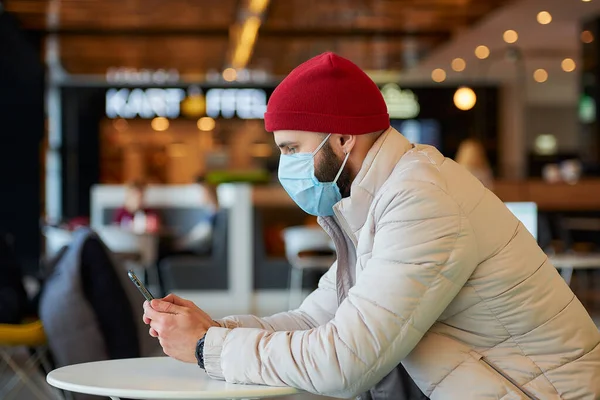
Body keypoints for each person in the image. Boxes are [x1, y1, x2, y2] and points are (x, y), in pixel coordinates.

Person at [143, 53, 600, 399]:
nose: (284, 166)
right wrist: (214, 329)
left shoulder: (421, 200)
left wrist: (209, 347)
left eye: (290, 148)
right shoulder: (376, 198)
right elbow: (316, 319)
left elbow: (345, 362)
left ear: (342, 138)